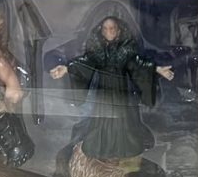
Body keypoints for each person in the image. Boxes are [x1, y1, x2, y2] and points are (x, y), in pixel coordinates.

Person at [49, 16, 174, 160]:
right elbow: (85, 62)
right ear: (101, 31)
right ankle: (102, 148)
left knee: (123, 118)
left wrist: (158, 69)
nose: (108, 32)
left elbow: (139, 64)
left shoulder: (126, 50)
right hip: (103, 90)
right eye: (105, 29)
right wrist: (66, 68)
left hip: (121, 90)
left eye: (112, 28)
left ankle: (124, 148)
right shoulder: (97, 50)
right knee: (102, 118)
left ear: (119, 31)